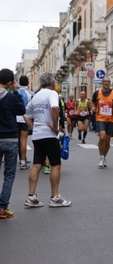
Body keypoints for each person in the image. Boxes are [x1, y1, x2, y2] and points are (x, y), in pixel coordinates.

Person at [23, 72, 71, 208]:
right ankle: (54, 197)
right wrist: (55, 126)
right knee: (55, 164)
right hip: (49, 135)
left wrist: (33, 127)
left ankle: (31, 196)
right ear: (52, 82)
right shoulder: (52, 94)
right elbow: (55, 108)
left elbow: (26, 114)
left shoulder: (36, 96)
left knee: (37, 165)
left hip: (37, 135)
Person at [0, 69, 26, 218]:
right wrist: (15, 92)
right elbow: (21, 109)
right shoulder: (10, 97)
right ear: (10, 83)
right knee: (9, 175)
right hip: (9, 139)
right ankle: (2, 207)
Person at [92, 78, 113, 168]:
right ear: (102, 83)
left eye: (108, 82)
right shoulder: (97, 93)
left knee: (107, 141)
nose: (106, 83)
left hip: (110, 119)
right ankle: (101, 157)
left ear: (110, 84)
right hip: (100, 118)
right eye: (105, 81)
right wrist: (93, 108)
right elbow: (93, 103)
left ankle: (104, 157)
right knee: (102, 137)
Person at [16, 75, 35, 170]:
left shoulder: (15, 93)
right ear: (28, 83)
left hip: (14, 119)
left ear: (19, 82)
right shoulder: (31, 93)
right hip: (25, 119)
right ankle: (22, 162)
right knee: (23, 140)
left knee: (15, 140)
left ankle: (11, 159)